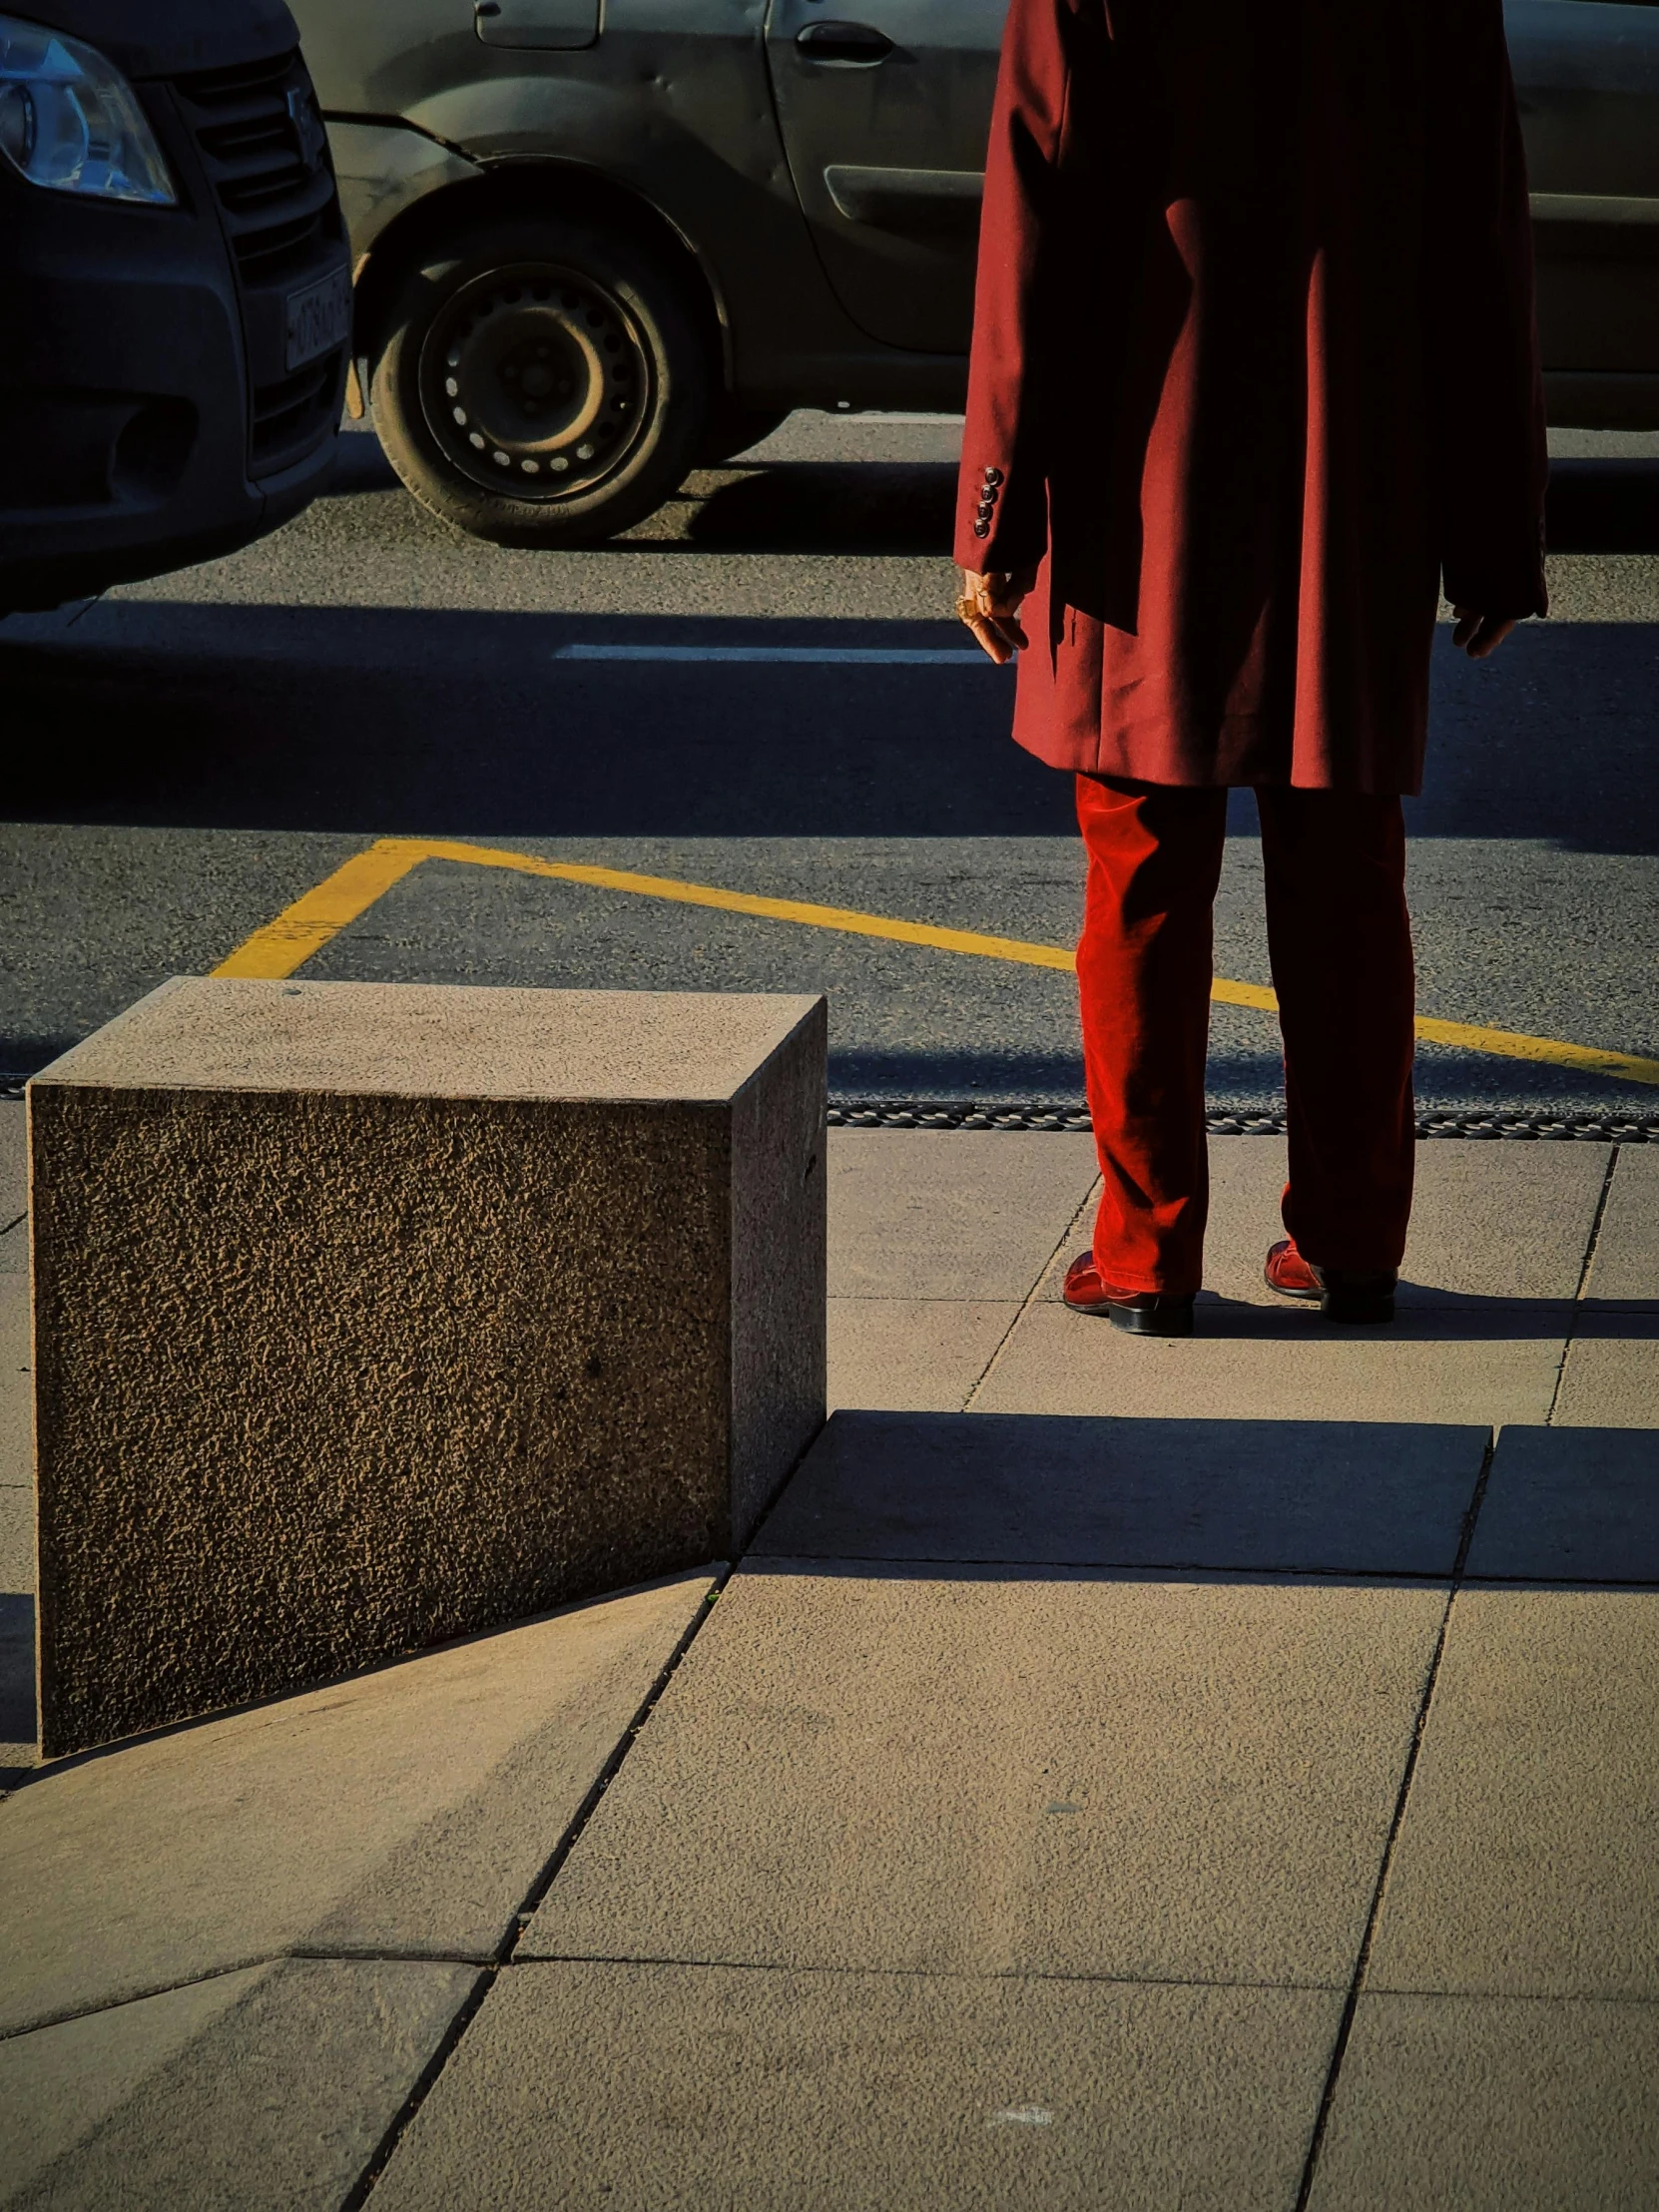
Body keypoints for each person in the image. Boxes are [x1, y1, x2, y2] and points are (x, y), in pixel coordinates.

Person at [956, 0, 1547, 1336]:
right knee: (1344, 858)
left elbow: (1029, 212)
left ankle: (1146, 1251)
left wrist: (997, 514)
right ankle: (1349, 1247)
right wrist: (1495, 531)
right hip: (1355, 450)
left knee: (1139, 859)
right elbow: (1478, 229)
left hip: (1137, 453)